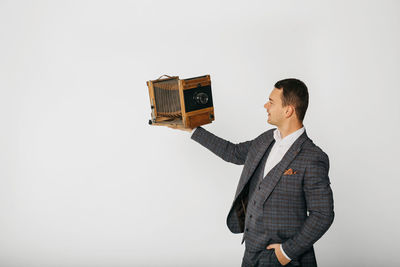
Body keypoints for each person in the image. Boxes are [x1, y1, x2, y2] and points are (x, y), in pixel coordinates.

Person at [169, 78, 334, 267]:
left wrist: (286, 253)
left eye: (271, 102)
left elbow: (322, 214)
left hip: (286, 259)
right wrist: (192, 129)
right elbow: (233, 152)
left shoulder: (313, 157)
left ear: (288, 110)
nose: (265, 106)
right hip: (251, 253)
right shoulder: (266, 139)